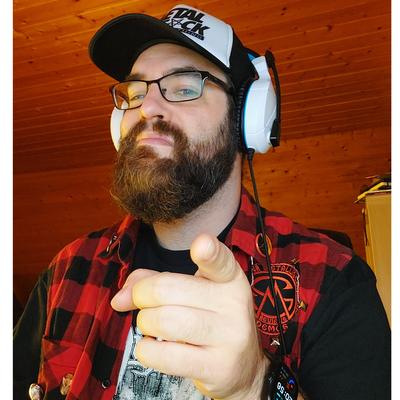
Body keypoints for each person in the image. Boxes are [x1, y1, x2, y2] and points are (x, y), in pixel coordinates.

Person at [14, 4, 390, 400]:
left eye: (183, 87)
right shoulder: (67, 269)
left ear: (246, 119)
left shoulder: (332, 280)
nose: (147, 108)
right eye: (135, 92)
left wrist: (254, 385)